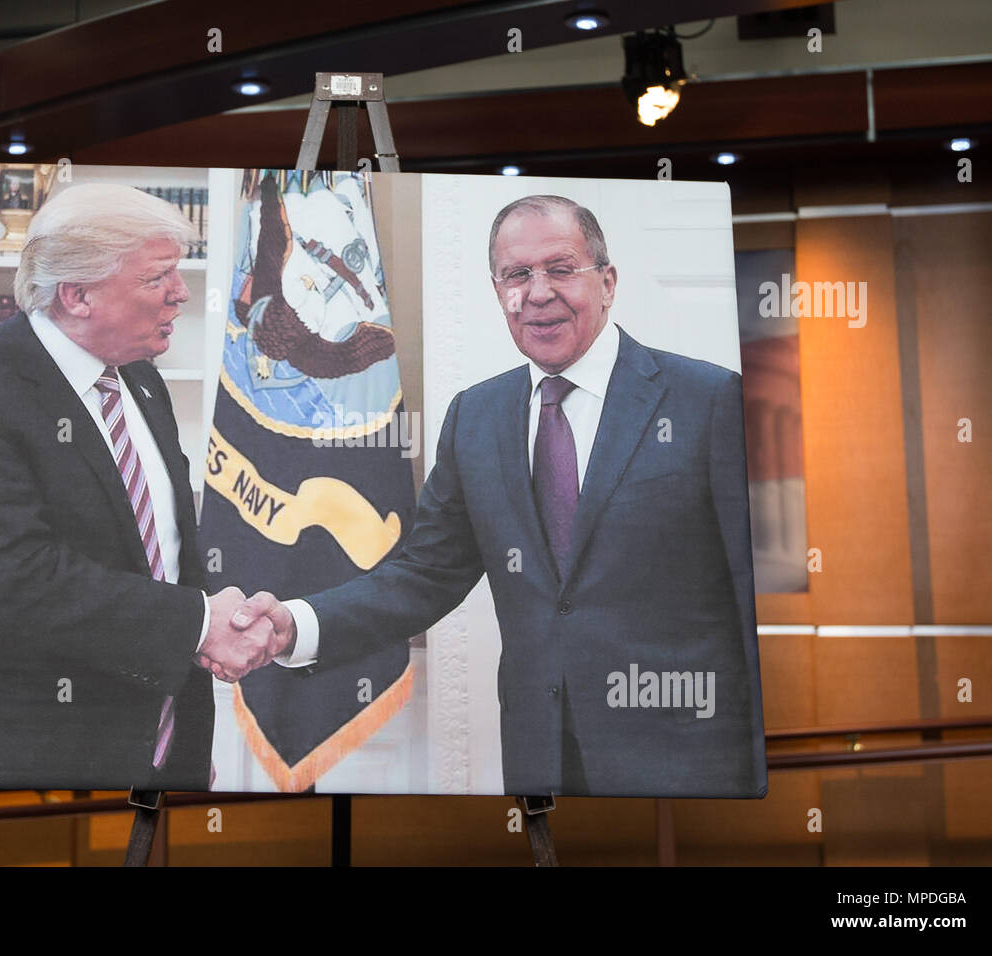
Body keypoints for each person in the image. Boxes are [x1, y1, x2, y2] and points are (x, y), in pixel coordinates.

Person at [216, 195, 767, 798]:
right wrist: (294, 624)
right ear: (498, 289)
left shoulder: (708, 400)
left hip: (689, 763)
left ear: (607, 282)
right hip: (542, 760)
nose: (537, 293)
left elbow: (748, 589)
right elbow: (424, 574)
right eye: (517, 275)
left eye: (561, 269)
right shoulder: (476, 417)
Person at [0, 183, 289, 791]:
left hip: (152, 751)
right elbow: (13, 581)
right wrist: (200, 623)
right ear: (76, 295)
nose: (180, 293)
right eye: (157, 278)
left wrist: (184, 743)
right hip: (9, 765)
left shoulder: (142, 382)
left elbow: (163, 556)